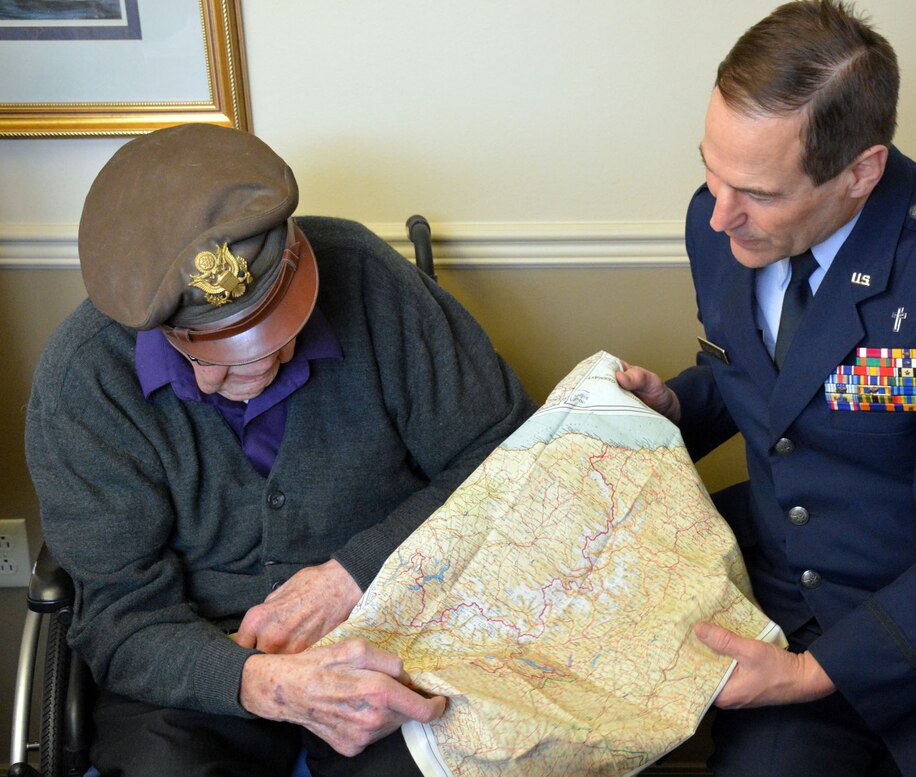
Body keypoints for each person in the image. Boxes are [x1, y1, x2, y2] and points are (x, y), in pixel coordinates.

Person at [616, 2, 916, 775]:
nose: (721, 213)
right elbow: (768, 378)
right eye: (710, 168)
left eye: (760, 192)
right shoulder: (723, 220)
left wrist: (809, 674)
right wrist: (678, 406)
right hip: (798, 608)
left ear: (860, 172)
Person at [24, 123, 536, 777]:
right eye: (222, 355)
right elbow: (122, 617)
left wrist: (355, 572)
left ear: (296, 259)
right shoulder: (85, 381)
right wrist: (267, 681)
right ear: (163, 330)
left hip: (393, 623)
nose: (261, 365)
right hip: (198, 660)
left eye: (279, 325)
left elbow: (506, 456)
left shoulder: (371, 282)